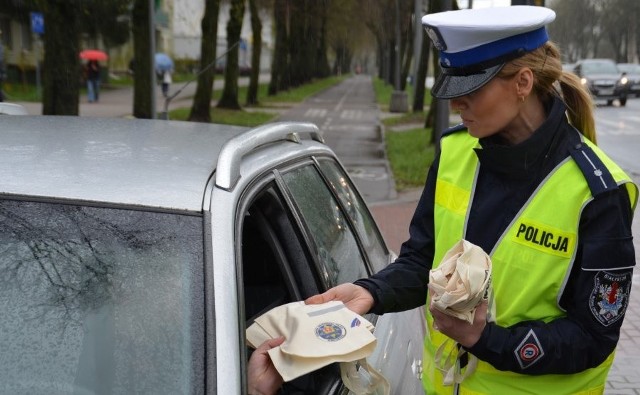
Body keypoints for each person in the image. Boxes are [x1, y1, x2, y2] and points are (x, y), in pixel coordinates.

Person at [306, 5, 637, 395]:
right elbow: (422, 261)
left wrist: (486, 340)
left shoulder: (597, 193)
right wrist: (372, 291)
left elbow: (594, 336)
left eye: (470, 91)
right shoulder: (453, 153)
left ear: (523, 83)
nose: (454, 104)